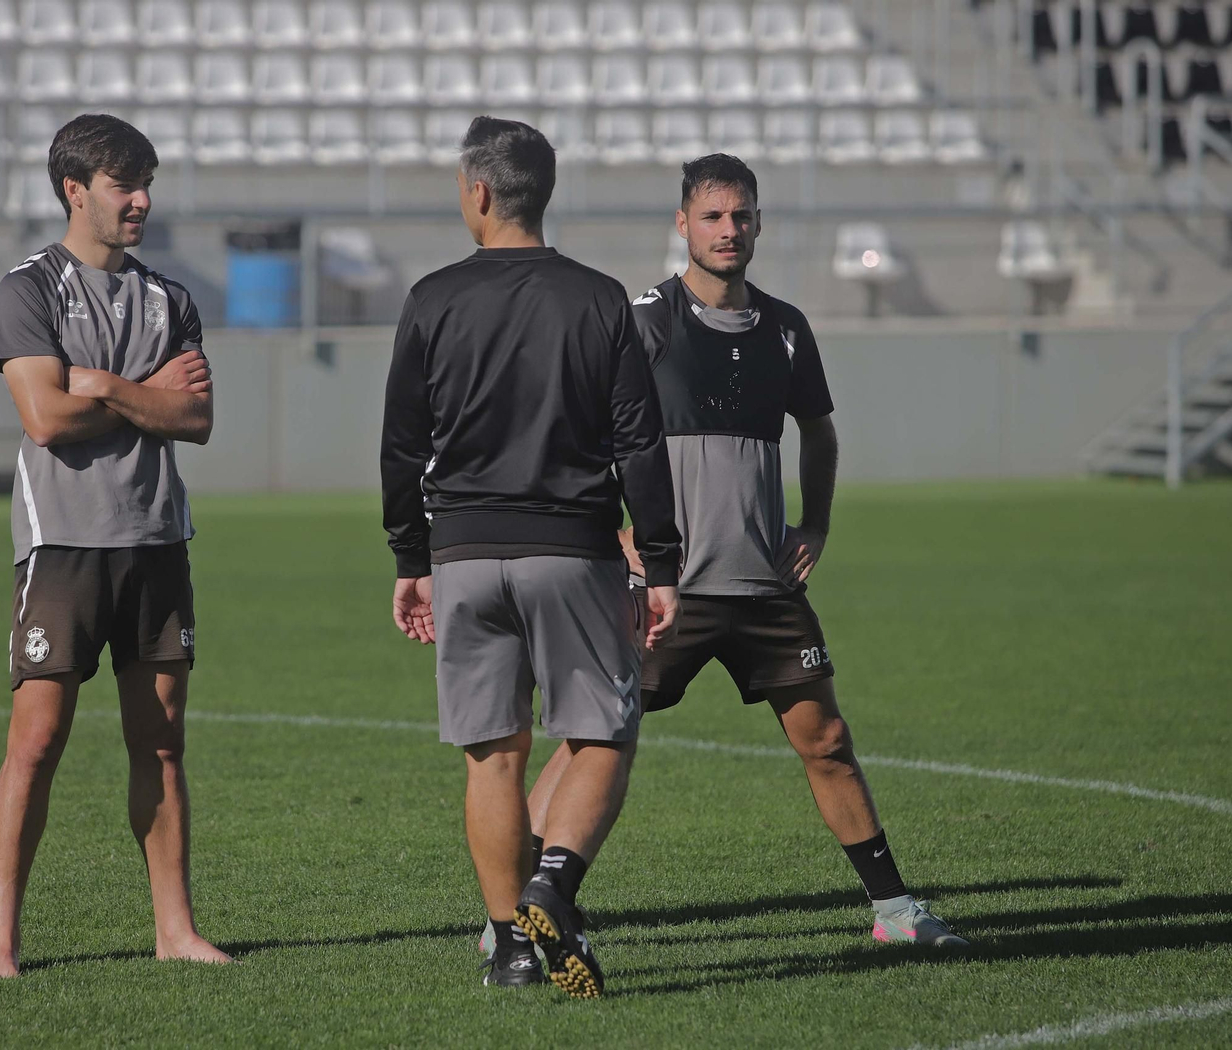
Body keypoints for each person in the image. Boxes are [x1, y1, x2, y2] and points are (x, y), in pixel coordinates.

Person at [525, 154, 968, 949]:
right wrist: (613, 538)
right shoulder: (642, 320)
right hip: (668, 589)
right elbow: (579, 433)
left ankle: (894, 912)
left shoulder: (787, 328)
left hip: (765, 586)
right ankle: (515, 915)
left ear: (758, 223)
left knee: (827, 740)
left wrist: (817, 524)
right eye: (713, 216)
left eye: (742, 216)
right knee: (593, 742)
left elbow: (820, 432)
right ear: (683, 224)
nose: (729, 230)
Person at [380, 116, 683, 997]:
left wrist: (412, 555)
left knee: (492, 756)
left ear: (478, 193)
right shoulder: (598, 298)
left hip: (464, 553)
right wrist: (658, 564)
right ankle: (555, 882)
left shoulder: (433, 297)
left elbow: (402, 446)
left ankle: (512, 947)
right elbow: (639, 442)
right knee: (600, 733)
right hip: (573, 550)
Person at [0, 114, 228, 977]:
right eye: (126, 185)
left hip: (157, 540)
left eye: (146, 183)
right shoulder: (29, 290)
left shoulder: (171, 298)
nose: (143, 201)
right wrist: (142, 393)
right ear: (75, 190)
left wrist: (106, 385)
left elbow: (194, 417)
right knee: (37, 742)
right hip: (63, 550)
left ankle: (176, 931)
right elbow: (44, 419)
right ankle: (1, 943)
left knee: (160, 743)